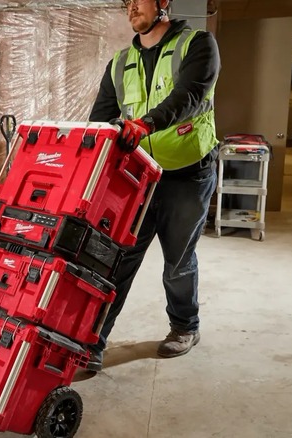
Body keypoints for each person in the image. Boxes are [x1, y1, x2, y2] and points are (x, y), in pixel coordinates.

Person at [86, 0, 221, 372]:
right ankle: (92, 339)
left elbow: (190, 97)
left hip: (187, 172)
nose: (131, 7)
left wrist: (145, 124)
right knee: (117, 261)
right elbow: (101, 119)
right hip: (139, 177)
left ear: (163, 2)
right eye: (126, 2)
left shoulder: (198, 44)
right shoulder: (118, 64)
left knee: (177, 261)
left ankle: (184, 327)